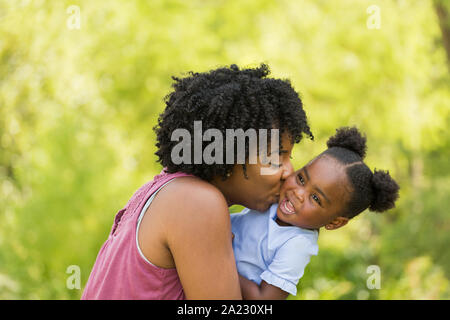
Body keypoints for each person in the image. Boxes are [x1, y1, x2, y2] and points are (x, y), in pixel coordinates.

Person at [81, 64, 313, 299]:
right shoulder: (197, 203)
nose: (289, 172)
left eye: (289, 157)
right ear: (229, 152)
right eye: (275, 157)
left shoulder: (167, 189)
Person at [231, 127, 400, 299]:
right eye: (301, 179)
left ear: (335, 222)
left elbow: (264, 300)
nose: (298, 193)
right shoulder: (274, 197)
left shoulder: (297, 244)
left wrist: (222, 257)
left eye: (316, 198)